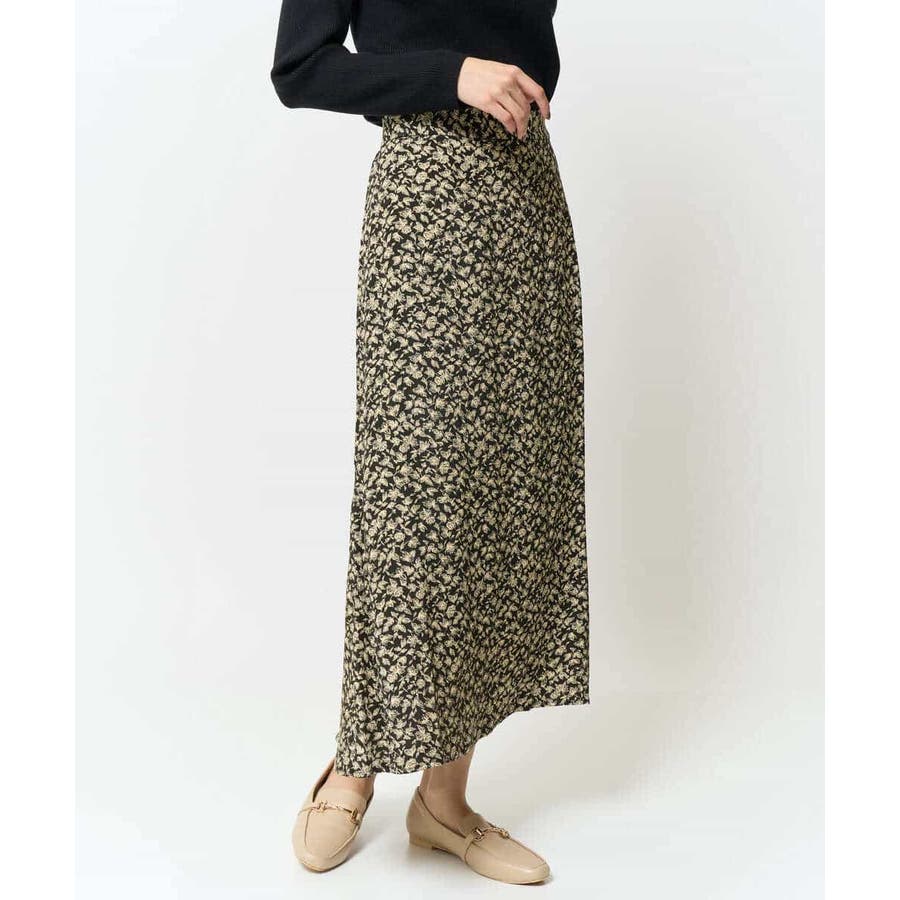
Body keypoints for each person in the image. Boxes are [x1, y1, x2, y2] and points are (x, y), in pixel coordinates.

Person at [270, 0, 590, 884]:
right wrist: (450, 74)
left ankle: (444, 802)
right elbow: (300, 68)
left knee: (502, 484)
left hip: (524, 192)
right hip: (426, 193)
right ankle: (354, 764)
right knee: (412, 494)